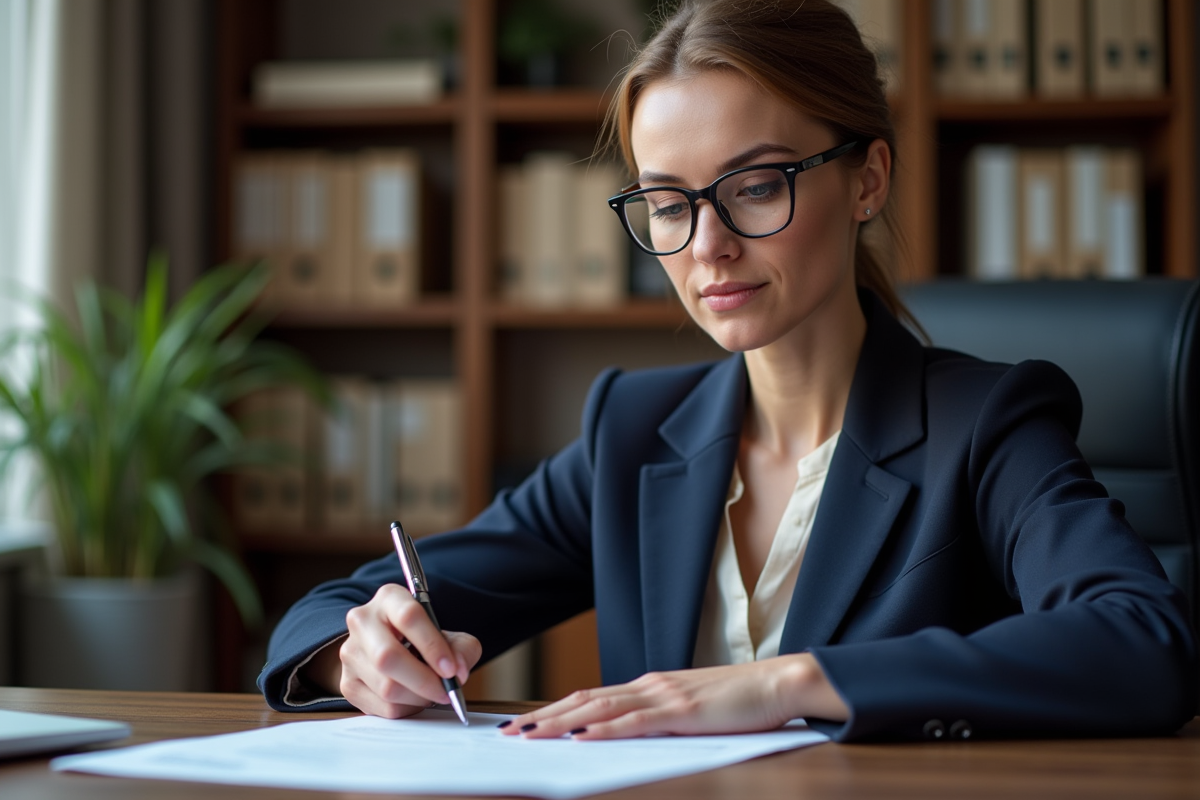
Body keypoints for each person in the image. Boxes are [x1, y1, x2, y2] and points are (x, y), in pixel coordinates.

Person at [259, 0, 1196, 742]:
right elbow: (332, 610)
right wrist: (360, 653)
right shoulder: (629, 432)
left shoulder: (985, 424)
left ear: (867, 179)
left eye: (754, 186)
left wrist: (787, 684)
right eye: (668, 203)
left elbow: (1145, 643)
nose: (706, 246)